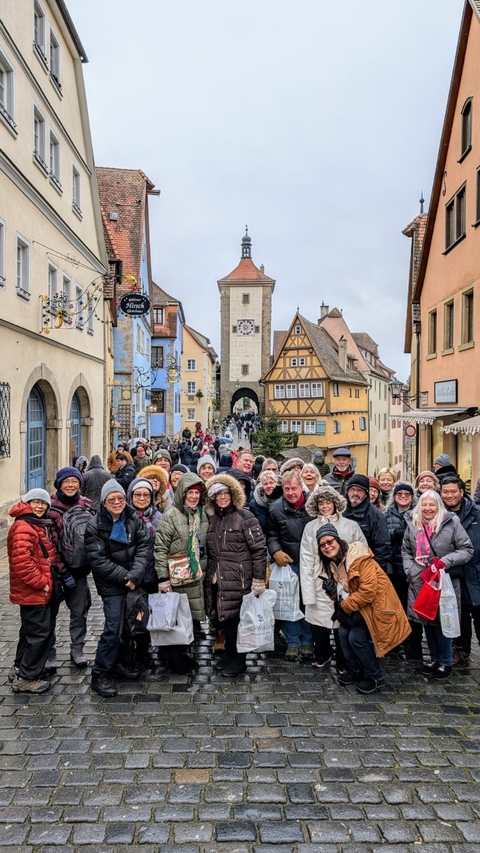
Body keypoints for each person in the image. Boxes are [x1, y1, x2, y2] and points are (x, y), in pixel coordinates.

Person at [317, 527, 411, 694]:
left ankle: (376, 677)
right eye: (322, 544)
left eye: (330, 541)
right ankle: (354, 670)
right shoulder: (332, 563)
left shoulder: (360, 559)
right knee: (343, 633)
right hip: (357, 608)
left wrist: (343, 606)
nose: (327, 546)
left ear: (338, 541)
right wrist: (331, 591)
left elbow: (368, 591)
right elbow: (339, 594)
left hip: (375, 607)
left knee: (356, 638)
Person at [85, 480, 150, 697]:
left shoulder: (133, 519)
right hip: (111, 585)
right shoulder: (95, 525)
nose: (117, 502)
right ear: (103, 502)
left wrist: (135, 575)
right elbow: (98, 560)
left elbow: (143, 547)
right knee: (113, 628)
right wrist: (125, 577)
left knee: (129, 625)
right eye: (111, 499)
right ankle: (100, 673)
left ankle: (121, 663)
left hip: (133, 581)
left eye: (120, 498)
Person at [402, 490, 473, 680]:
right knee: (427, 622)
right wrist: (411, 570)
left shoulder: (451, 523)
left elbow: (467, 549)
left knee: (443, 623)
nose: (427, 508)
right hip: (421, 580)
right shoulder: (413, 524)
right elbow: (406, 550)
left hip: (443, 581)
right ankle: (434, 659)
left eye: (431, 504)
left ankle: (445, 662)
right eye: (424, 504)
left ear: (438, 506)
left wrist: (445, 562)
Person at [205, 474, 267, 676]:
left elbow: (259, 549)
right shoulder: (213, 518)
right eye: (217, 494)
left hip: (239, 579)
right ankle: (230, 654)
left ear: (232, 494)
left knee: (236, 622)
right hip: (218, 578)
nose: (222, 497)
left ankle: (239, 660)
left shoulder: (245, 517)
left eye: (225, 493)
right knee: (224, 620)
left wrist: (258, 579)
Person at [300, 486, 366, 670]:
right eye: (321, 503)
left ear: (336, 503)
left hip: (343, 580)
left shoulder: (351, 526)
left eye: (328, 502)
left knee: (342, 621)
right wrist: (308, 590)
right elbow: (306, 559)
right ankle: (322, 654)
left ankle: (344, 658)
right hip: (318, 579)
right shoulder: (310, 527)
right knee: (318, 624)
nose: (325, 506)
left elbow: (361, 551)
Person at [154, 473, 209, 673]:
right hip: (177, 578)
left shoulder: (201, 515)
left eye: (197, 493)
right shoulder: (171, 516)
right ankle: (174, 658)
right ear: (182, 494)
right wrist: (162, 578)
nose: (193, 497)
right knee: (176, 619)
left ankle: (180, 655)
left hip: (196, 576)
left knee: (190, 618)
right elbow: (160, 548)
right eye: (190, 493)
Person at [7, 489, 57, 694]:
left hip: (34, 592)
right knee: (39, 634)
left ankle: (20, 667)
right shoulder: (24, 527)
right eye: (35, 502)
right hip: (34, 591)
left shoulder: (32, 523)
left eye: (43, 503)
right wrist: (42, 582)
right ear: (27, 503)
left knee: (29, 632)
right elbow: (22, 564)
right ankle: (26, 677)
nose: (39, 506)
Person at [49, 467, 95, 668]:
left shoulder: (87, 505)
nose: (70, 485)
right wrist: (61, 569)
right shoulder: (49, 508)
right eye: (65, 481)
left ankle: (77, 648)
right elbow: (48, 544)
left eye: (74, 481)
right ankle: (48, 652)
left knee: (79, 612)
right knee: (49, 614)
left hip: (78, 571)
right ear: (59, 484)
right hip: (53, 572)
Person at [265, 470, 314, 661]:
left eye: (294, 488)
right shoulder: (276, 508)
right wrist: (276, 550)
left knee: (308, 603)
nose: (291, 492)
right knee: (288, 603)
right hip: (288, 563)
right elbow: (271, 534)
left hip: (311, 563)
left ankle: (308, 642)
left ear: (301, 487)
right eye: (287, 489)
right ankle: (293, 641)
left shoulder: (312, 505)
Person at [440, 476, 480, 665]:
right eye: (445, 492)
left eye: (453, 491)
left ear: (462, 492)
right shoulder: (438, 515)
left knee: (478, 612)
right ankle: (461, 650)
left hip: (476, 572)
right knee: (458, 613)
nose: (449, 495)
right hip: (453, 574)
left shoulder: (476, 513)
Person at [126, 478, 162, 667]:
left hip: (152, 574)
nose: (141, 498)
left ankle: (144, 649)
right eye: (137, 494)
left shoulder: (158, 518)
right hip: (131, 575)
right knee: (133, 613)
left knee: (148, 613)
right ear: (130, 496)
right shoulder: (124, 517)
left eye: (146, 495)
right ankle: (131, 650)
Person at [384, 482, 421, 657]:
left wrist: (400, 534)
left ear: (413, 496)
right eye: (400, 494)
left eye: (407, 493)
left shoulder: (419, 513)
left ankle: (414, 643)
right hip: (393, 566)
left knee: (414, 607)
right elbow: (386, 535)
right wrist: (402, 532)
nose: (404, 496)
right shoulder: (387, 513)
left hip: (415, 566)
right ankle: (396, 641)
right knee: (395, 605)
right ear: (395, 496)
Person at [344, 475, 391, 572]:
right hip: (341, 567)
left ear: (366, 494)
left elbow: (382, 548)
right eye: (353, 489)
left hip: (365, 568)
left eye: (360, 490)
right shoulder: (339, 511)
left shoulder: (376, 515)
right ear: (348, 491)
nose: (355, 493)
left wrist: (373, 571)